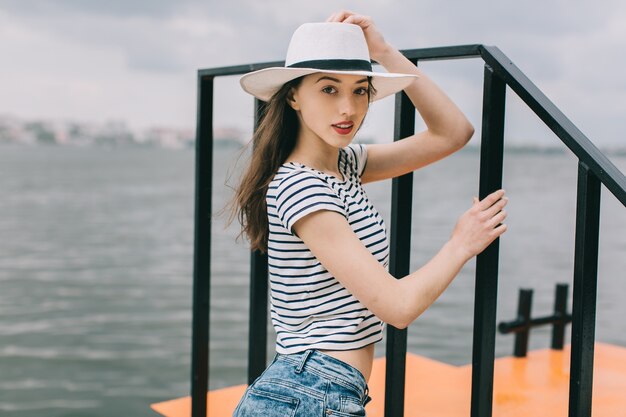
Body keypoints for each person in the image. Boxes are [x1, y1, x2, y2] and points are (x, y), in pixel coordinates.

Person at [231, 10, 508, 416]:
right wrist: (460, 244)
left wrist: (382, 51)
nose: (348, 108)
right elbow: (397, 307)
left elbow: (453, 133)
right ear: (293, 96)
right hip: (311, 393)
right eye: (329, 89)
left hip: (318, 391)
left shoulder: (345, 165)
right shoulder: (301, 187)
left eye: (360, 90)